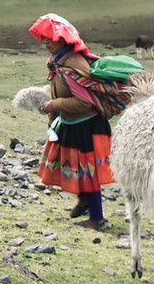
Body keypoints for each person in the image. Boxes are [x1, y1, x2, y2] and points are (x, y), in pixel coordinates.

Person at [29, 12, 115, 230]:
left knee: (88, 172)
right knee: (78, 168)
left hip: (87, 126)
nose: (46, 42)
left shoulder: (75, 63)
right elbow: (60, 93)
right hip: (72, 124)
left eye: (51, 38)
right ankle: (85, 200)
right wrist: (52, 117)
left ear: (63, 39)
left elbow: (85, 102)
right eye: (44, 38)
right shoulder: (59, 62)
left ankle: (97, 220)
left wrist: (54, 106)